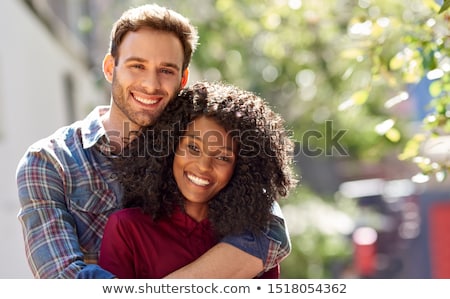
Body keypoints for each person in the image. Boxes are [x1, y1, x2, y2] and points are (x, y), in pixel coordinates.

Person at [15, 4, 291, 279]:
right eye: (137, 66)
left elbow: (268, 226)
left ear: (182, 79)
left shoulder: (190, 150)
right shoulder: (51, 161)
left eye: (166, 70)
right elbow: (61, 279)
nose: (150, 84)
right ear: (111, 68)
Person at [93, 81, 297, 279]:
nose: (203, 166)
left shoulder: (252, 244)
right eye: (193, 148)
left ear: (242, 169)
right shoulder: (126, 229)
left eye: (223, 157)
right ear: (170, 146)